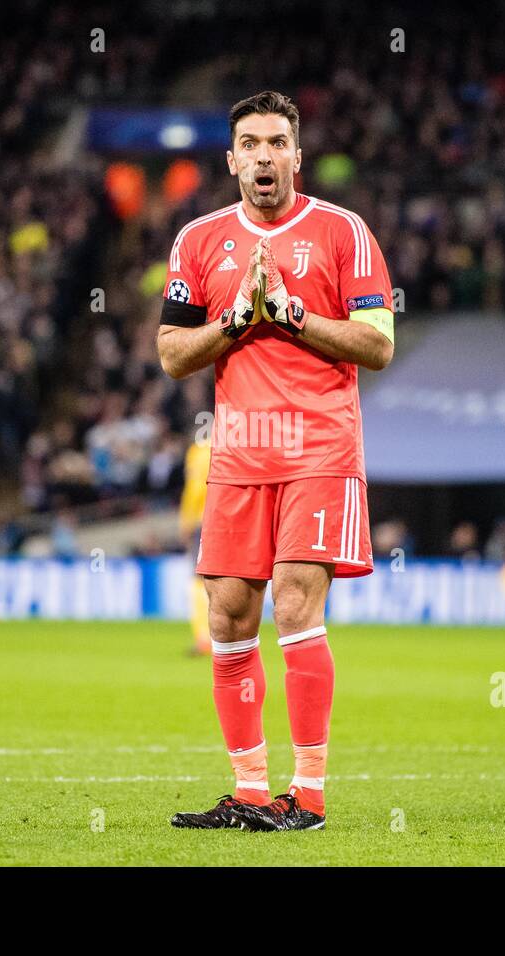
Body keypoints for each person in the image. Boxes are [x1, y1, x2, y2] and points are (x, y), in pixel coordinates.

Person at [157, 91, 395, 831]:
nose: (264, 156)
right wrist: (237, 319)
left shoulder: (343, 232)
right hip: (237, 453)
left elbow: (378, 343)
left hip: (318, 446)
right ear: (231, 160)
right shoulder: (196, 240)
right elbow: (171, 355)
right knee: (228, 613)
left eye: (277, 142)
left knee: (294, 600)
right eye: (251, 144)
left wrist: (289, 313)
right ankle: (252, 793)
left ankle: (311, 797)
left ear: (297, 153)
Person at [178, 433, 212, 656]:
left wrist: (186, 521)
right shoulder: (237, 445)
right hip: (230, 518)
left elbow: (196, 488)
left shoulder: (198, 451)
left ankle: (205, 638)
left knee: (198, 580)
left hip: (203, 520)